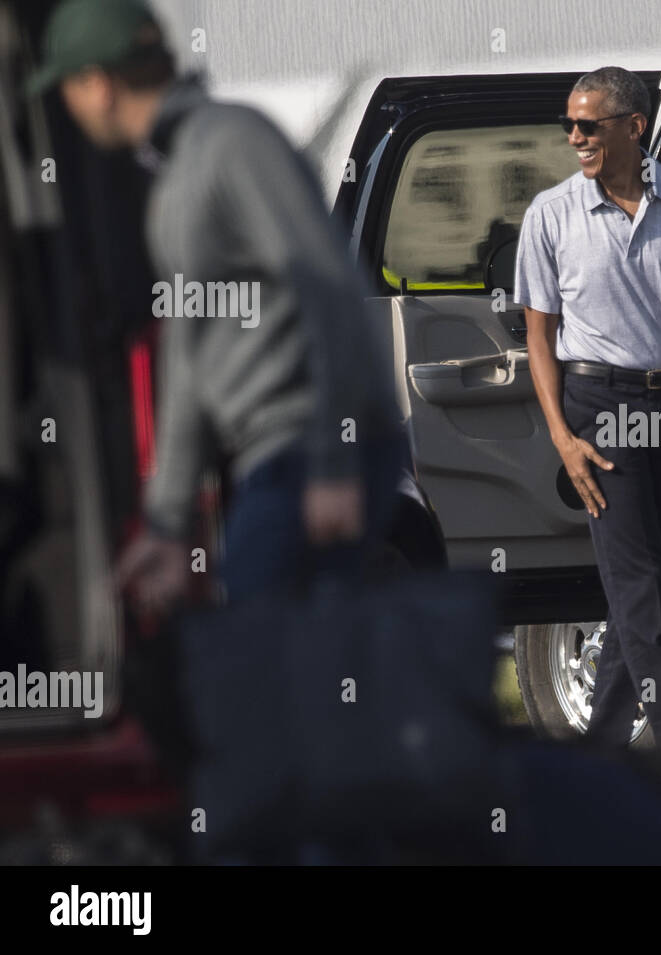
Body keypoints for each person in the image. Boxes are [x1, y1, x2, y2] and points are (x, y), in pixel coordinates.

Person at [28, 0, 403, 614]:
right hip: (278, 457)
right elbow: (189, 351)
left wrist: (334, 462)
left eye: (65, 87)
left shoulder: (233, 143)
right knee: (282, 676)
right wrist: (167, 524)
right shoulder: (176, 173)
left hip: (313, 452)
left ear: (96, 85)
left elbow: (327, 287)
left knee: (267, 673)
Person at [514, 66, 661, 760]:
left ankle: (599, 759)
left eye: (589, 124)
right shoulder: (551, 215)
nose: (575, 136)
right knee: (640, 592)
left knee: (655, 571)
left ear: (633, 127)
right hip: (599, 406)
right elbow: (538, 335)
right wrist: (563, 437)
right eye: (570, 125)